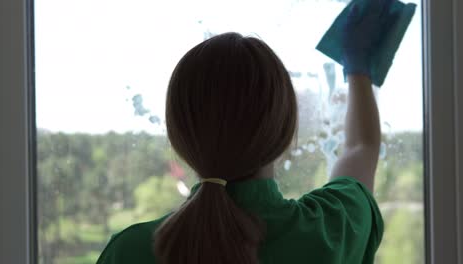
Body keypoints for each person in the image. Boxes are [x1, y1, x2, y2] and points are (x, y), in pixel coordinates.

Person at [97, 1, 387, 263]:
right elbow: (361, 148)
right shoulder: (331, 232)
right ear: (284, 134)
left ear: (179, 137)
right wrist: (357, 66)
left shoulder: (128, 252)